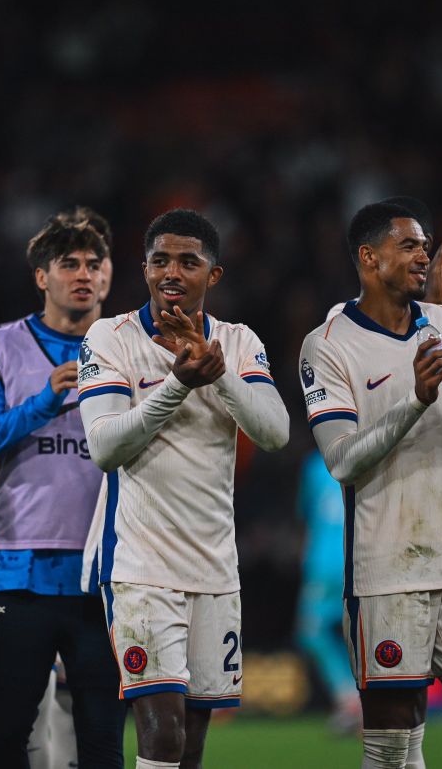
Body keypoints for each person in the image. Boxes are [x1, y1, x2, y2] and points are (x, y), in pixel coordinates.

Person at [300, 201, 442, 768]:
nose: (423, 255)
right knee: (390, 750)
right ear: (368, 257)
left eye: (424, 244)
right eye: (408, 245)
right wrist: (416, 399)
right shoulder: (327, 345)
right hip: (387, 577)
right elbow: (342, 462)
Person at [77, 207, 290, 769]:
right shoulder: (110, 338)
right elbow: (105, 448)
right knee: (162, 735)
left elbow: (274, 432)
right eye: (159, 260)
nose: (172, 272)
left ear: (213, 275)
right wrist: (177, 382)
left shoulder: (239, 343)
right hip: (139, 561)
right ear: (144, 268)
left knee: (192, 744)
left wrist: (217, 375)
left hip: (215, 566)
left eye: (188, 261)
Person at [0, 215, 126, 768]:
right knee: (6, 740)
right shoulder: (0, 348)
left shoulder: (131, 349)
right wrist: (41, 404)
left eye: (94, 264)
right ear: (41, 277)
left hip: (106, 574)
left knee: (101, 744)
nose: (83, 275)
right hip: (20, 571)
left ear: (109, 275)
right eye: (68, 264)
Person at [294, 448, 362, 734]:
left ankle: (351, 699)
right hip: (361, 555)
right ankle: (367, 702)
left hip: (325, 562)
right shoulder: (364, 452)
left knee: (311, 631)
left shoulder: (314, 464)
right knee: (359, 631)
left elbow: (306, 515)